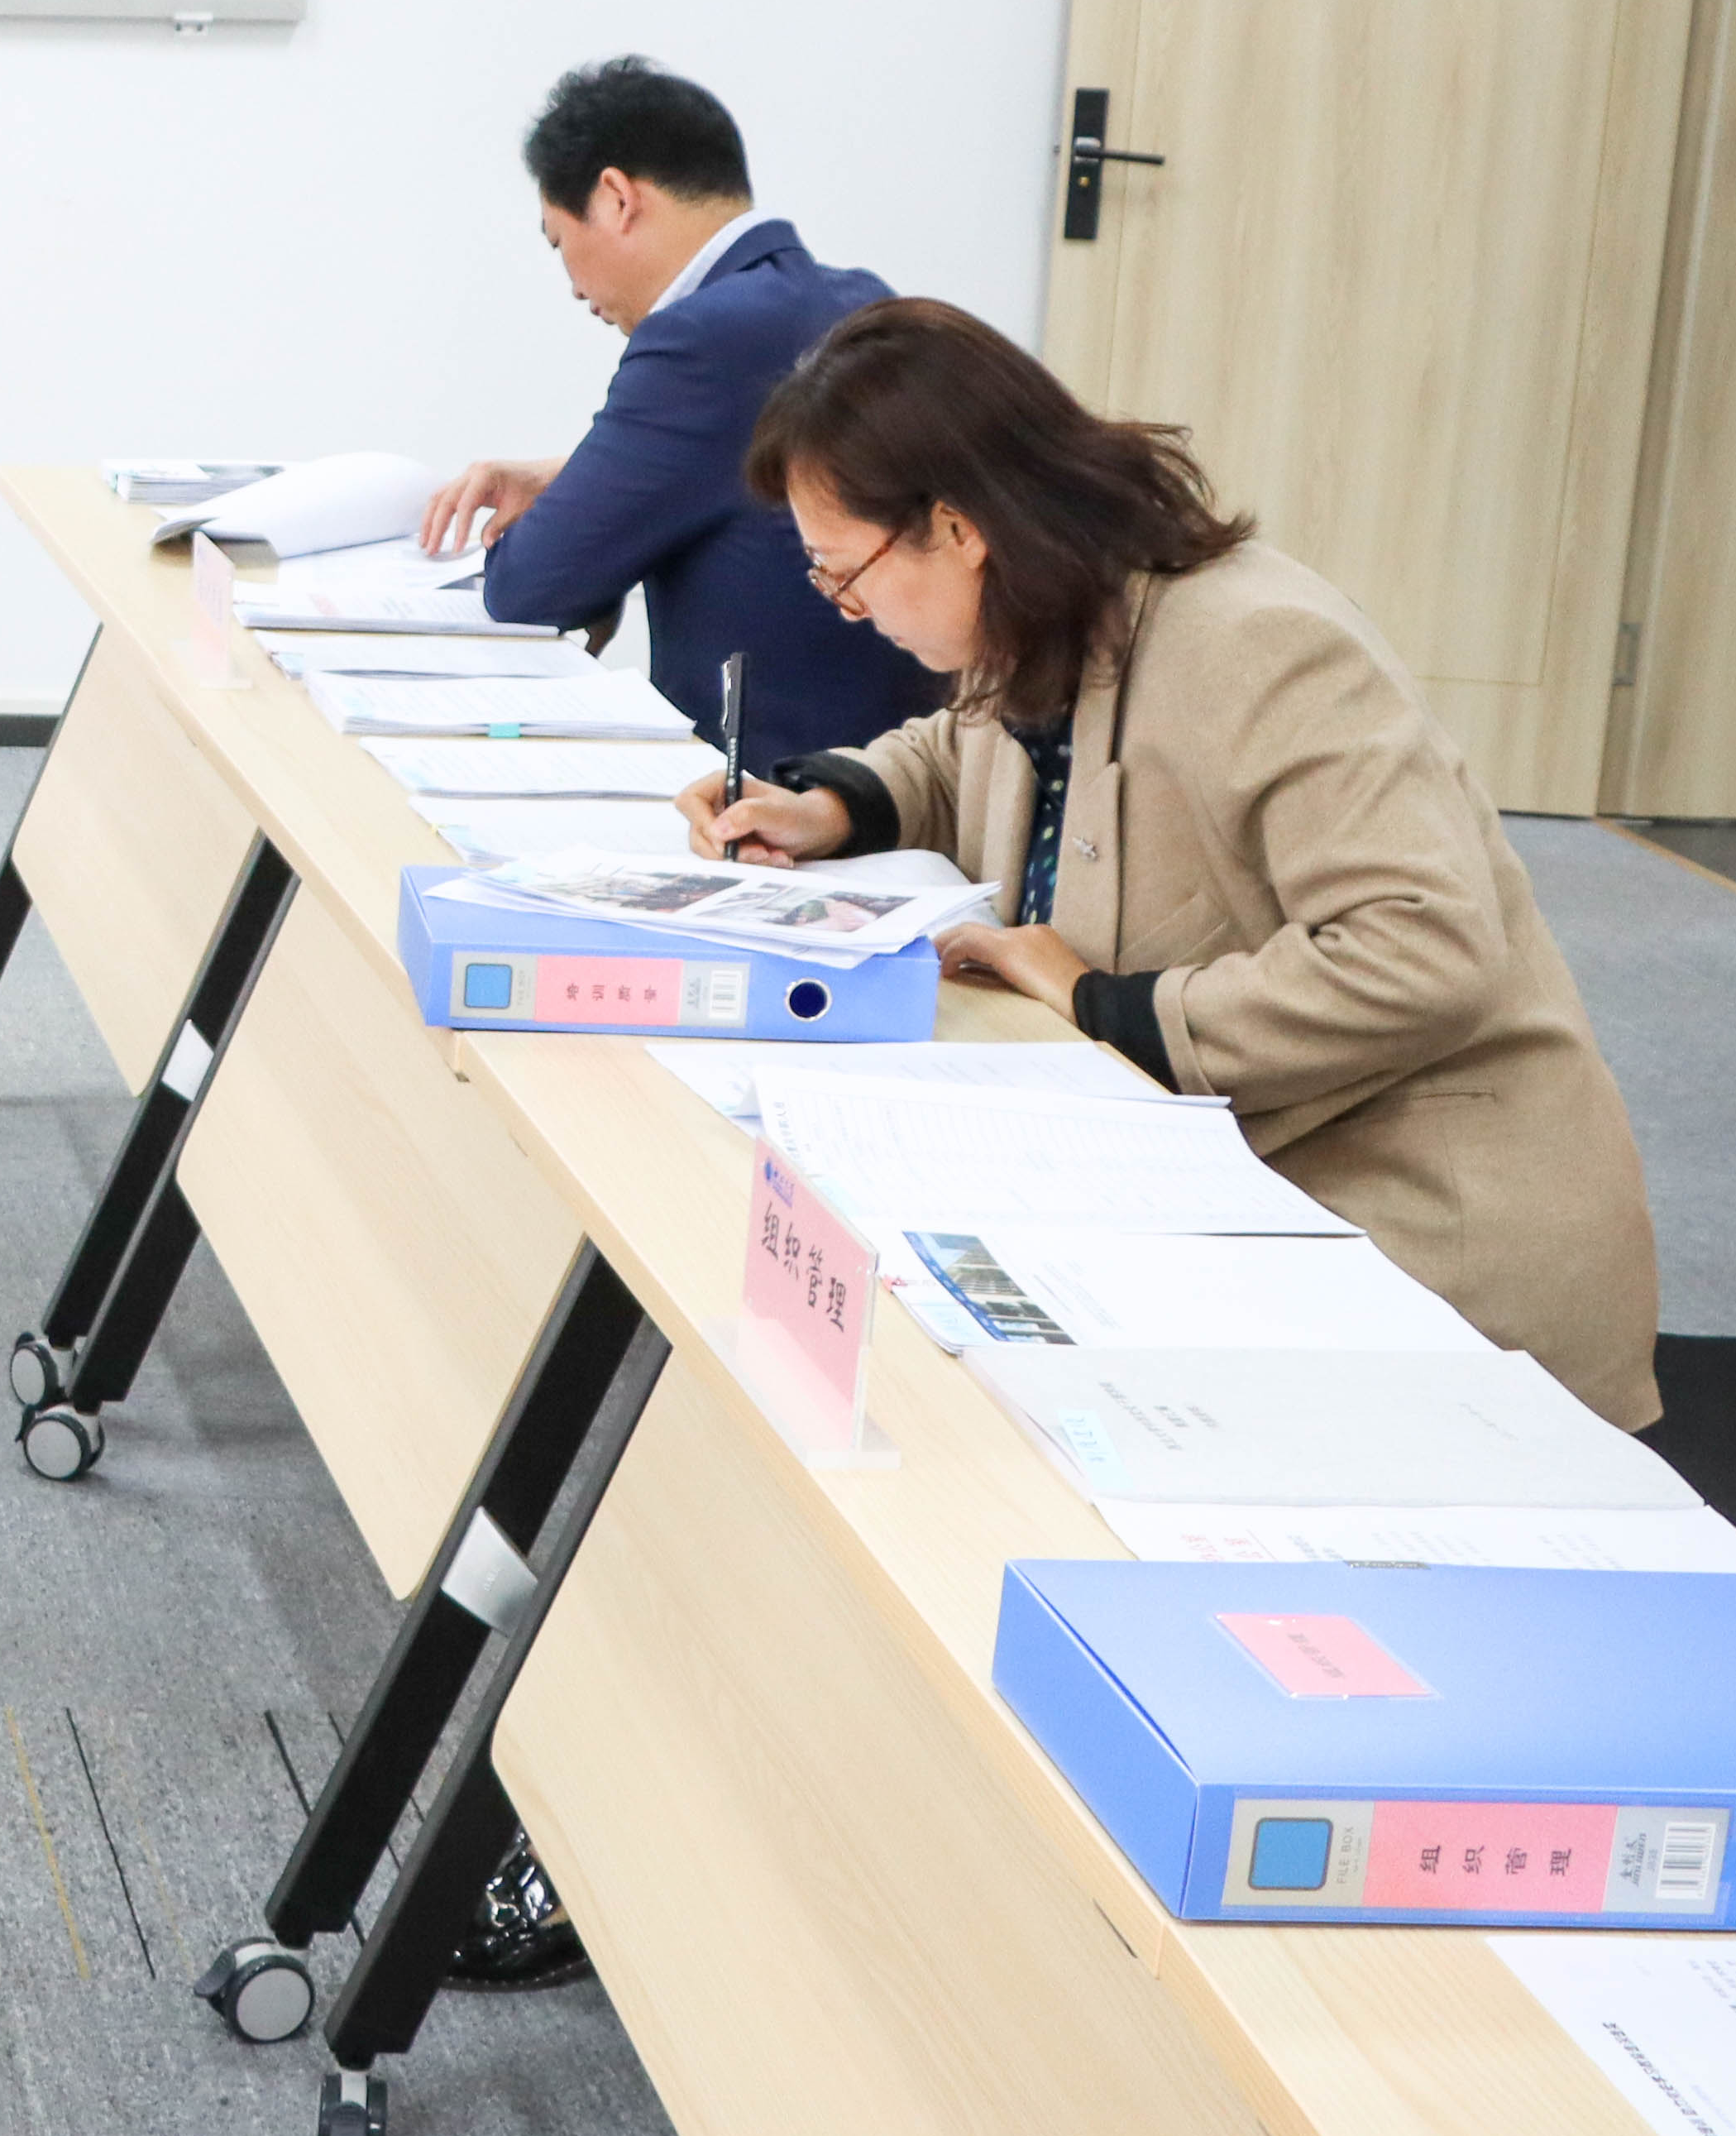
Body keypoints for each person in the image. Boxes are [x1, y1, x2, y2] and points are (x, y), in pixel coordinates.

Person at [686, 298, 1662, 1423]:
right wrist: (831, 805)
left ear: (956, 528)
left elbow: (1423, 952)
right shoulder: (1050, 618)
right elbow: (961, 752)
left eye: (840, 573)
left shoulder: (1259, 646)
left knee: (972, 1395)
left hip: (1418, 1228)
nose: (846, 610)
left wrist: (1102, 1004)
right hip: (1219, 1175)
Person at [418, 57, 943, 758]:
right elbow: (730, 464)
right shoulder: (857, 297)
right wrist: (566, 476)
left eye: (559, 241)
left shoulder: (699, 339)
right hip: (885, 765)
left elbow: (530, 590)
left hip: (763, 782)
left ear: (615, 198)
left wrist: (566, 526)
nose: (573, 287)